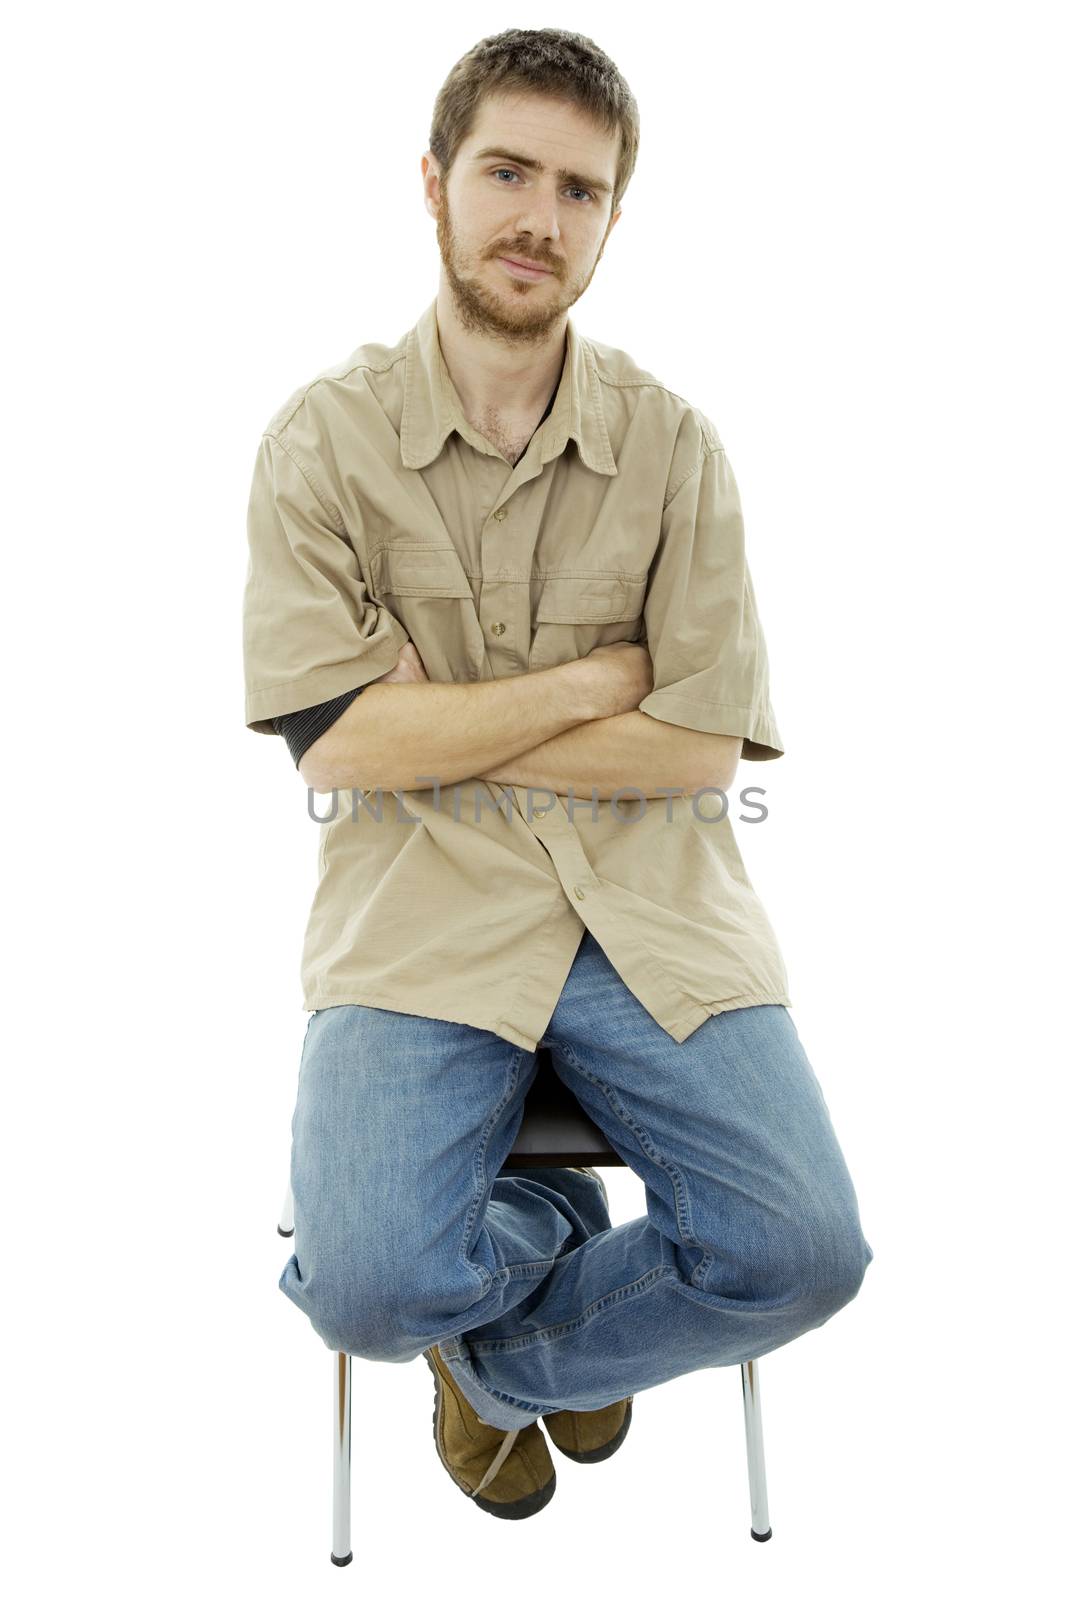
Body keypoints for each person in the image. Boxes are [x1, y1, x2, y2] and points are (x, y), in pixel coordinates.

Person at [242, 27, 874, 1520]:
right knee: (369, 1295)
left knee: (803, 1252)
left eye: (578, 189)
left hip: (656, 909)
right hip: (418, 911)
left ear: (610, 218)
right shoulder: (323, 445)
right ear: (436, 185)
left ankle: (512, 1369)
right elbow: (340, 741)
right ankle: (541, 1230)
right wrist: (599, 681)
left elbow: (704, 745)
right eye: (507, 170)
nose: (539, 214)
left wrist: (446, 711)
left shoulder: (676, 449)